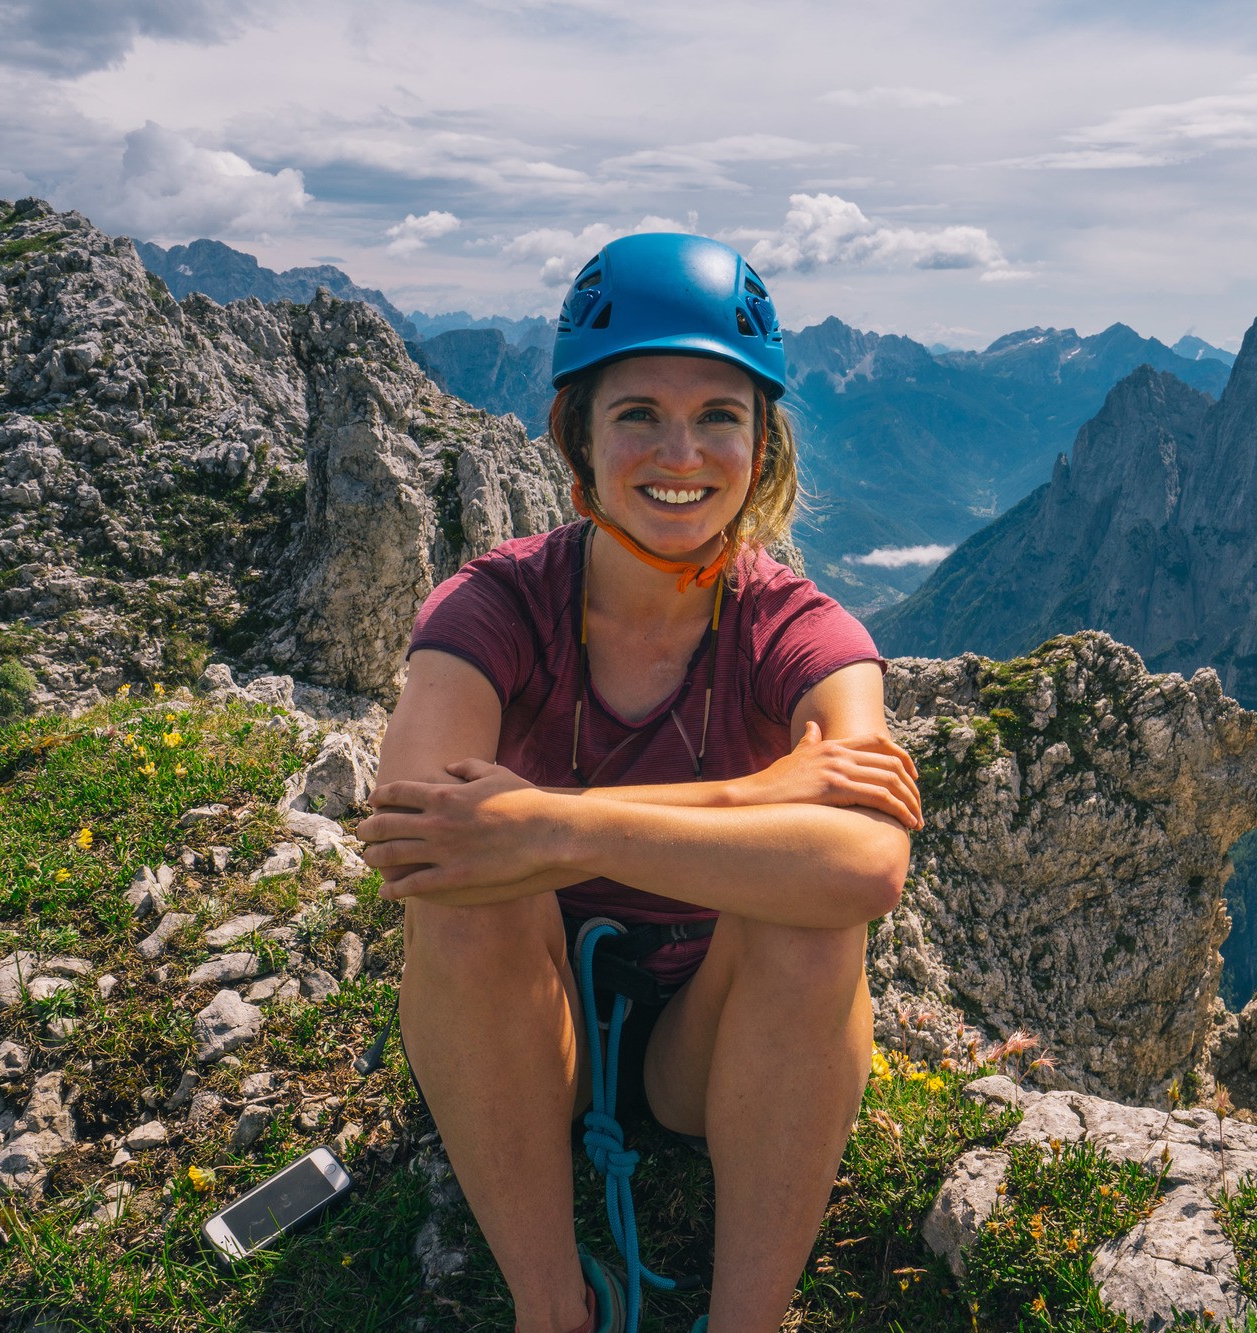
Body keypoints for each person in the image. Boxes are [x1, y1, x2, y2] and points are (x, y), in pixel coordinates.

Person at [354, 233, 923, 1333]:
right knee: (469, 902)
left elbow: (864, 867)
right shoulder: (494, 610)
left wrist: (550, 826)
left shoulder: (805, 633)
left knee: (809, 924)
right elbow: (415, 841)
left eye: (720, 414)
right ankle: (550, 1308)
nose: (684, 450)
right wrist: (766, 794)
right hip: (525, 1033)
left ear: (762, 446)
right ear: (578, 434)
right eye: (638, 414)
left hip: (707, 1053)